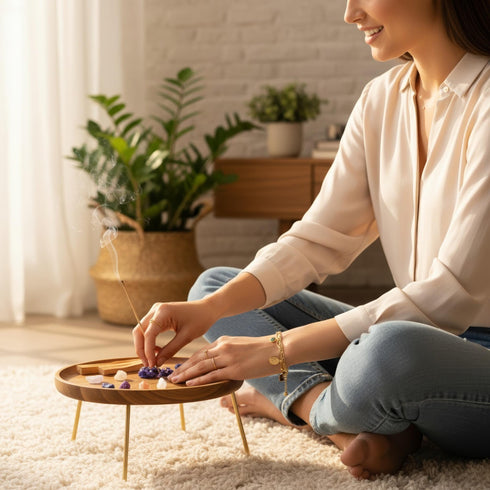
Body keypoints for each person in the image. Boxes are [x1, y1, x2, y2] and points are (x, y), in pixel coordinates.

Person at [133, 0, 490, 480]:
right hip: (411, 334)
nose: (350, 13)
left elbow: (449, 293)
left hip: (457, 353)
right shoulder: (381, 99)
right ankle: (346, 420)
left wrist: (275, 353)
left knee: (388, 351)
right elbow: (317, 239)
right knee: (213, 286)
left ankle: (289, 402)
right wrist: (211, 309)